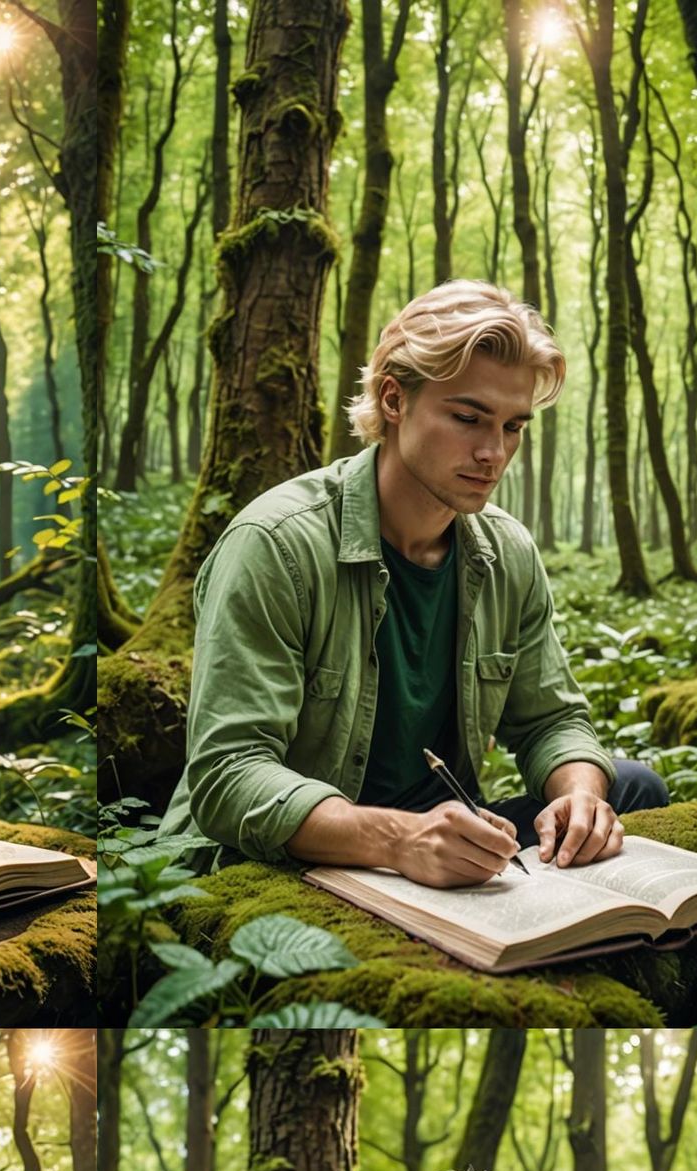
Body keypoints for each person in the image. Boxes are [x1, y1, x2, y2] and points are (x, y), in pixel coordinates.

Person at [155, 281, 670, 878]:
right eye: (468, 418)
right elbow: (231, 771)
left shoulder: (508, 553)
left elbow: (552, 720)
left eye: (512, 427)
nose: (493, 453)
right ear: (394, 400)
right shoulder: (275, 544)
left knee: (629, 788)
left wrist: (580, 796)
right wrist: (399, 840)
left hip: (433, 832)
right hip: (284, 855)